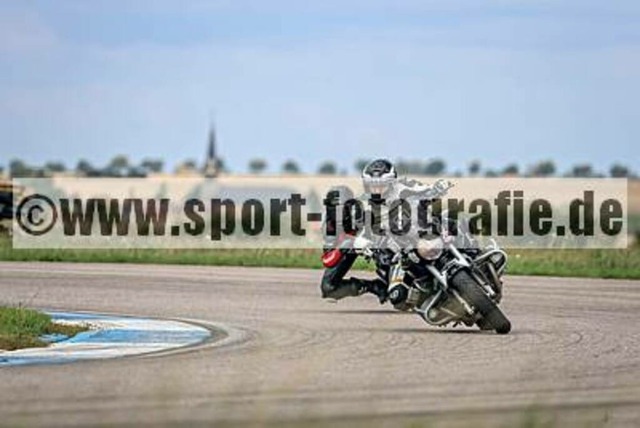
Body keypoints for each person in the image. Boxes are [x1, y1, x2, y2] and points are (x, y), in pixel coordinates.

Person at [319, 158, 444, 307]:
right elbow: (328, 260)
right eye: (335, 209)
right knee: (329, 287)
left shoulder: (369, 206)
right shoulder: (331, 226)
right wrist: (350, 242)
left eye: (381, 185)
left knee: (446, 221)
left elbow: (421, 192)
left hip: (405, 234)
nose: (377, 190)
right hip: (380, 252)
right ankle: (378, 286)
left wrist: (434, 191)